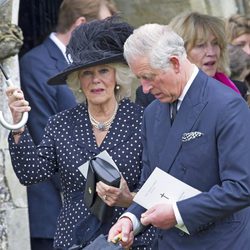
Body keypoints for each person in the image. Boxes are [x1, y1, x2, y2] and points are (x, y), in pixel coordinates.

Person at [7, 17, 155, 249]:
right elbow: (31, 174)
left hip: (131, 240)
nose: (96, 80)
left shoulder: (143, 120)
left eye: (104, 71)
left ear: (117, 75)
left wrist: (129, 198)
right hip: (75, 241)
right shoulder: (62, 124)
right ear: (78, 80)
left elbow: (160, 191)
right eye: (87, 73)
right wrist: (18, 125)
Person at [108, 23, 250, 249]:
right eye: (140, 78)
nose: (144, 88)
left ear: (175, 63)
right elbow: (151, 182)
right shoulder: (152, 112)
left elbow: (242, 187)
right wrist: (130, 219)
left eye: (149, 77)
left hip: (222, 242)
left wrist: (177, 212)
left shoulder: (227, 105)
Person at [19, 1, 117, 249]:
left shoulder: (87, 66)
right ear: (81, 25)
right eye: (103, 29)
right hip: (53, 216)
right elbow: (48, 143)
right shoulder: (37, 65)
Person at [135, 11, 243, 107]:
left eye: (215, 43)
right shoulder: (152, 95)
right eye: (200, 45)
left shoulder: (238, 89)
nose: (211, 52)